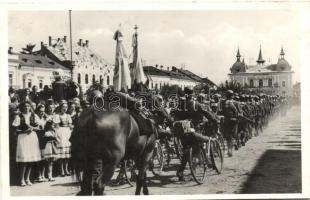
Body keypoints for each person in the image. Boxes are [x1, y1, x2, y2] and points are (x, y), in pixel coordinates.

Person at [12, 101, 42, 186]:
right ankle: (21, 180)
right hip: (23, 138)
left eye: (28, 106)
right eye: (25, 106)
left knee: (30, 160)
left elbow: (40, 128)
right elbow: (15, 130)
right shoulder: (19, 117)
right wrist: (24, 130)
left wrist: (32, 128)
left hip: (32, 137)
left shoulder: (34, 115)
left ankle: (27, 178)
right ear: (22, 107)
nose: (27, 108)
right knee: (24, 160)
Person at [54, 101, 73, 176]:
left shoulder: (68, 116)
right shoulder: (57, 115)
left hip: (67, 132)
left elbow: (70, 125)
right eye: (63, 107)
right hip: (61, 132)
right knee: (61, 153)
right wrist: (58, 134)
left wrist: (70, 129)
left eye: (66, 107)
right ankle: (61, 170)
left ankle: (66, 169)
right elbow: (56, 126)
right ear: (60, 108)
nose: (65, 109)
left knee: (67, 153)